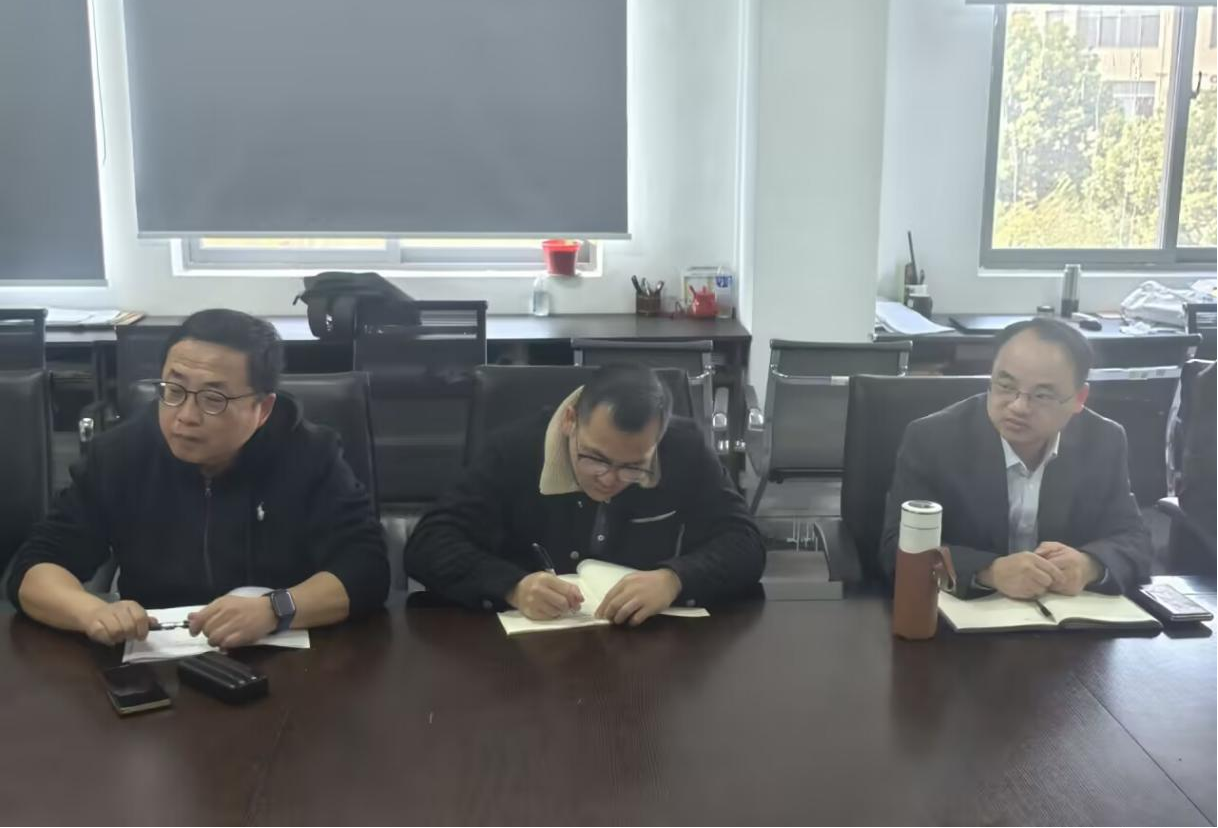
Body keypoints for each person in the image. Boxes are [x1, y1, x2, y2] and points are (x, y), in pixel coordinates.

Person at [7, 309, 389, 647]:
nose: (186, 416)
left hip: (284, 657)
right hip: (156, 656)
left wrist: (277, 609)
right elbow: (35, 567)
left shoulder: (311, 454)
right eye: (173, 391)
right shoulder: (120, 455)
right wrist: (91, 612)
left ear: (262, 409)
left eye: (213, 399)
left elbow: (365, 568)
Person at [405, 364, 765, 626]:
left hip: (644, 646)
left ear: (658, 439)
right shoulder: (513, 450)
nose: (609, 479)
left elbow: (745, 541)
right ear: (570, 421)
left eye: (633, 467)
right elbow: (428, 544)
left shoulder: (684, 448)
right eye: (595, 458)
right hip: (526, 654)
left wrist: (675, 579)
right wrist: (512, 586)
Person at [881, 317, 1150, 599]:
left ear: (1079, 398)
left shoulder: (1103, 441)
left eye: (1042, 395)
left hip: (1066, 616)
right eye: (1006, 386)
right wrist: (988, 572)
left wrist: (1089, 565)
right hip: (968, 612)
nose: (1019, 407)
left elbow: (1135, 539)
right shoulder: (933, 439)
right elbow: (897, 548)